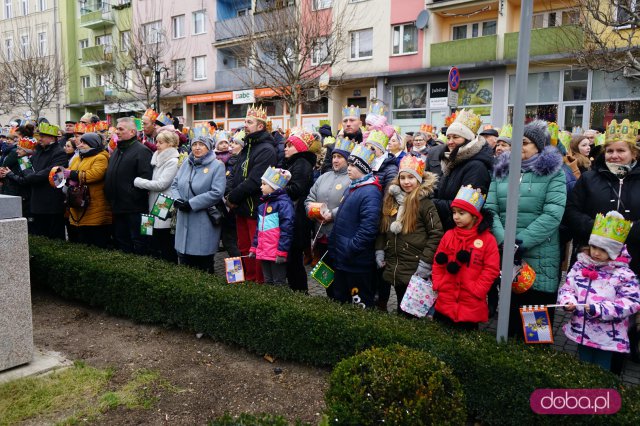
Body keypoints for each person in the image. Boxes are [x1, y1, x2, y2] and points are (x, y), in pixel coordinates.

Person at [486, 120, 567, 338]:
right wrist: (504, 240)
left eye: (525, 142)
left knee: (535, 332)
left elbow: (553, 215)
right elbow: (491, 209)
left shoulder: (553, 174)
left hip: (539, 257)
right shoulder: (501, 172)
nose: (518, 147)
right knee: (510, 324)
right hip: (509, 258)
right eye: (516, 142)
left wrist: (519, 242)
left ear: (538, 147)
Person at [558, 211, 640, 371]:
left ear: (614, 251)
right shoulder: (580, 265)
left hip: (608, 338)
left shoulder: (624, 275)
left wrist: (599, 309)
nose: (596, 252)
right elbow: (568, 288)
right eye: (594, 247)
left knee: (601, 372)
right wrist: (568, 301)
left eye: (603, 250)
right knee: (583, 368)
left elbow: (632, 303)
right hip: (581, 330)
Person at [376, 155, 444, 315]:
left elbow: (436, 233)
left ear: (419, 179)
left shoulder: (425, 204)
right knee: (401, 302)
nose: (406, 182)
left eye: (411, 178)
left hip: (414, 264)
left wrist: (425, 263)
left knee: (412, 311)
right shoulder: (392, 200)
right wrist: (379, 250)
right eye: (403, 177)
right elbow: (384, 227)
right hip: (395, 263)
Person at [432, 186, 500, 329]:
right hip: (445, 301)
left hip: (470, 304)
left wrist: (478, 290)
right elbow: (438, 262)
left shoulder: (488, 240)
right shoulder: (449, 235)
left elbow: (491, 269)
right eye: (454, 212)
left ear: (474, 215)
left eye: (461, 213)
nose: (456, 217)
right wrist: (438, 283)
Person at [226, 105, 277, 283]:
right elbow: (235, 174)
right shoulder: (247, 146)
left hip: (255, 210)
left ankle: (257, 285)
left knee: (255, 251)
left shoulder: (266, 150)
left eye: (249, 122)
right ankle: (247, 280)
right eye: (245, 121)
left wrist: (232, 198)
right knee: (243, 247)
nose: (245, 125)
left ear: (261, 126)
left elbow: (255, 181)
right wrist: (230, 192)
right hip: (241, 209)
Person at [328, 144, 382, 308]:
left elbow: (368, 229)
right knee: (341, 300)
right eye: (349, 164)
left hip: (356, 263)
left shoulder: (370, 192)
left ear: (364, 168)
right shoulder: (353, 188)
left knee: (359, 304)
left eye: (353, 165)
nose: (349, 168)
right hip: (344, 259)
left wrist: (350, 249)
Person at [1, 122, 68, 238]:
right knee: (38, 236)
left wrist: (30, 176)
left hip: (51, 204)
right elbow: (26, 170)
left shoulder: (59, 153)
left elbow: (46, 174)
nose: (39, 139)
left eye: (42, 136)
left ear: (52, 138)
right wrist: (24, 161)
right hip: (35, 201)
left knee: (53, 237)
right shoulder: (38, 151)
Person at [171, 133, 226, 273]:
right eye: (194, 144)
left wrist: (192, 203)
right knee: (184, 264)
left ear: (209, 147)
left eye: (201, 144)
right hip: (184, 220)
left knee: (203, 265)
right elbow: (175, 184)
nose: (197, 147)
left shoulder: (217, 166)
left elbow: (216, 192)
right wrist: (177, 200)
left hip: (203, 221)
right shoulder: (186, 163)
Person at [431, 109, 493, 230]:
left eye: (455, 137)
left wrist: (431, 203)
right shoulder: (451, 162)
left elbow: (465, 207)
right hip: (448, 228)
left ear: (468, 139)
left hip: (462, 232)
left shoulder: (476, 166)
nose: (450, 142)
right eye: (448, 137)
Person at [304, 137, 353, 286]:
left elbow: (350, 204)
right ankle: (329, 299)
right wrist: (314, 212)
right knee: (325, 275)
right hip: (320, 234)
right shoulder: (323, 176)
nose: (335, 160)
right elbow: (309, 199)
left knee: (339, 275)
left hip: (339, 235)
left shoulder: (352, 179)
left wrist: (332, 215)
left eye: (340, 157)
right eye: (334, 157)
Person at [104, 117, 153, 254]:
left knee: (139, 242)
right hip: (118, 207)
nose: (117, 132)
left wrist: (131, 195)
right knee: (121, 241)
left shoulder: (142, 151)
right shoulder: (118, 150)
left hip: (135, 208)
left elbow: (146, 178)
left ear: (132, 132)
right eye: (116, 129)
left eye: (121, 129)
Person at [133, 130, 180, 261]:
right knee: (152, 238)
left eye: (161, 142)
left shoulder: (173, 161)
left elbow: (162, 184)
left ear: (170, 144)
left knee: (164, 239)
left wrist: (138, 181)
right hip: (153, 202)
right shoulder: (157, 158)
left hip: (164, 203)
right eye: (157, 141)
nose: (157, 145)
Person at [282, 129, 319, 292]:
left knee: (294, 259)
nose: (285, 148)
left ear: (299, 148)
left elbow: (297, 188)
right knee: (291, 259)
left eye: (290, 145)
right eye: (286, 145)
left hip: (298, 217)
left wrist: (277, 187)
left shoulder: (302, 163)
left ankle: (300, 292)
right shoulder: (293, 162)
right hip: (293, 214)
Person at [249, 167, 295, 286]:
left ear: (274, 187)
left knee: (278, 282)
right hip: (264, 251)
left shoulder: (283, 204)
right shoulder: (262, 206)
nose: (261, 187)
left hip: (276, 252)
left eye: (264, 184)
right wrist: (254, 248)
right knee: (267, 281)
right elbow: (258, 230)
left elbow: (287, 230)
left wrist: (282, 252)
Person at [65, 132, 112, 248]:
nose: (80, 145)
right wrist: (65, 177)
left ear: (92, 144)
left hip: (94, 204)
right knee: (81, 240)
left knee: (95, 240)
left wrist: (74, 175)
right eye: (80, 142)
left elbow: (96, 174)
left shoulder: (100, 157)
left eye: (84, 143)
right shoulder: (78, 158)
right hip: (78, 204)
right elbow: (69, 171)